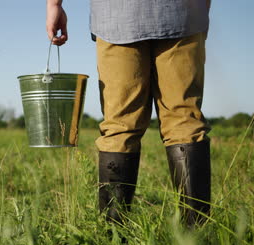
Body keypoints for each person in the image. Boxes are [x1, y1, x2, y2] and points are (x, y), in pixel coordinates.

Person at [46, 0, 212, 226]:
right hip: (184, 12)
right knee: (185, 122)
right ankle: (197, 237)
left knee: (119, 127)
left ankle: (114, 240)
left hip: (117, 16)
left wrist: (54, 4)